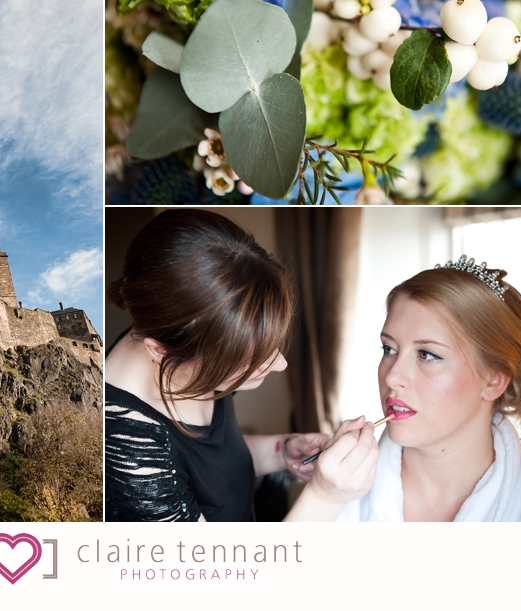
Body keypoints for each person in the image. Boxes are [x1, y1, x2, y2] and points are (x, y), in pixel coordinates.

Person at [105, 209, 379, 522]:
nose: (280, 363)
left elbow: (206, 463)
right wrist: (326, 497)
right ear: (162, 352)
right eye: (249, 360)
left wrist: (280, 451)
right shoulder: (132, 458)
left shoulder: (179, 330)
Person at [337, 256, 521, 522]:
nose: (393, 377)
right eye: (389, 349)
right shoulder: (336, 489)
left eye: (427, 354)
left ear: (494, 380)